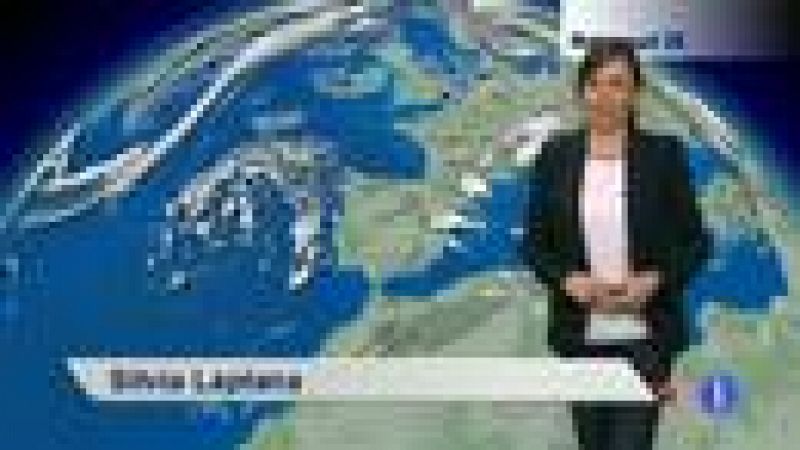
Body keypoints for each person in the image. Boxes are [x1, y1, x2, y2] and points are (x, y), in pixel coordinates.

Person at [520, 38, 712, 450]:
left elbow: (697, 243)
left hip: (646, 341)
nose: (603, 96)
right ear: (581, 91)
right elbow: (534, 245)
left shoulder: (663, 155)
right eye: (593, 84)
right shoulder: (555, 155)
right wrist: (567, 280)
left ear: (635, 93)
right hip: (579, 337)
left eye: (616, 84)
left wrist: (655, 281)